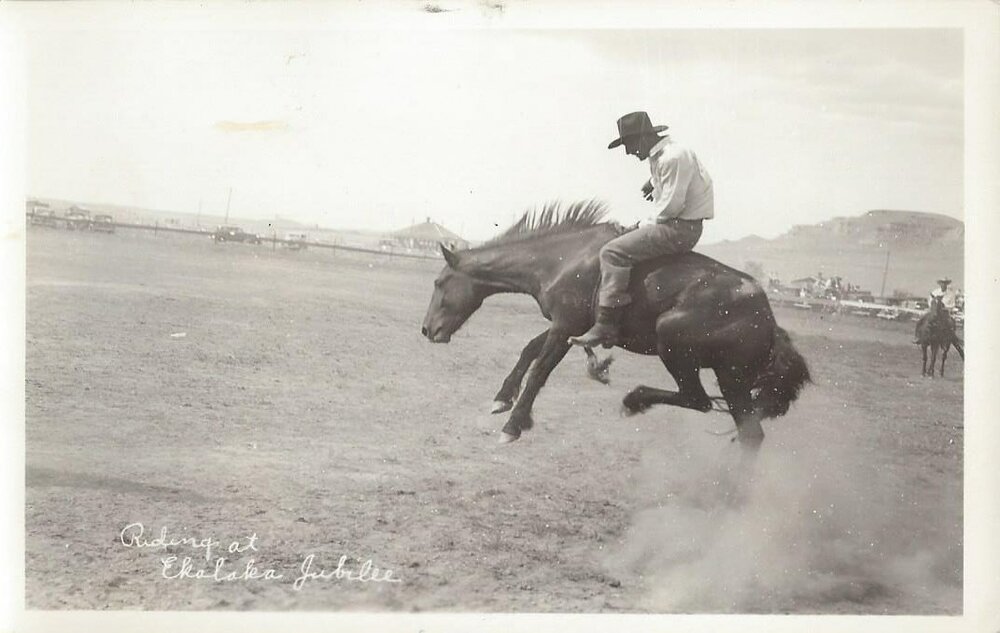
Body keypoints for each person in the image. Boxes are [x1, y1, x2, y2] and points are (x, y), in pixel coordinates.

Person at [569, 111, 713, 348]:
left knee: (612, 252)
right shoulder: (663, 156)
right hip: (676, 223)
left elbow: (670, 208)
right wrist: (653, 182)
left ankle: (606, 325)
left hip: (678, 228)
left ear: (645, 138)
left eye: (630, 144)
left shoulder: (672, 158)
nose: (629, 152)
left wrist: (636, 226)